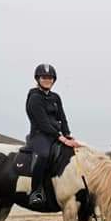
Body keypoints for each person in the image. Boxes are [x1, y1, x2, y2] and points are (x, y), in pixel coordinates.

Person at [25, 63, 79, 208]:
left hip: (56, 135)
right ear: (38, 79)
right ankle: (36, 192)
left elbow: (62, 117)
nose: (47, 80)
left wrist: (67, 134)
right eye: (44, 77)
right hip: (40, 135)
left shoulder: (56, 97)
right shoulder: (34, 98)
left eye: (50, 78)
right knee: (43, 155)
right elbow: (42, 123)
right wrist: (60, 137)